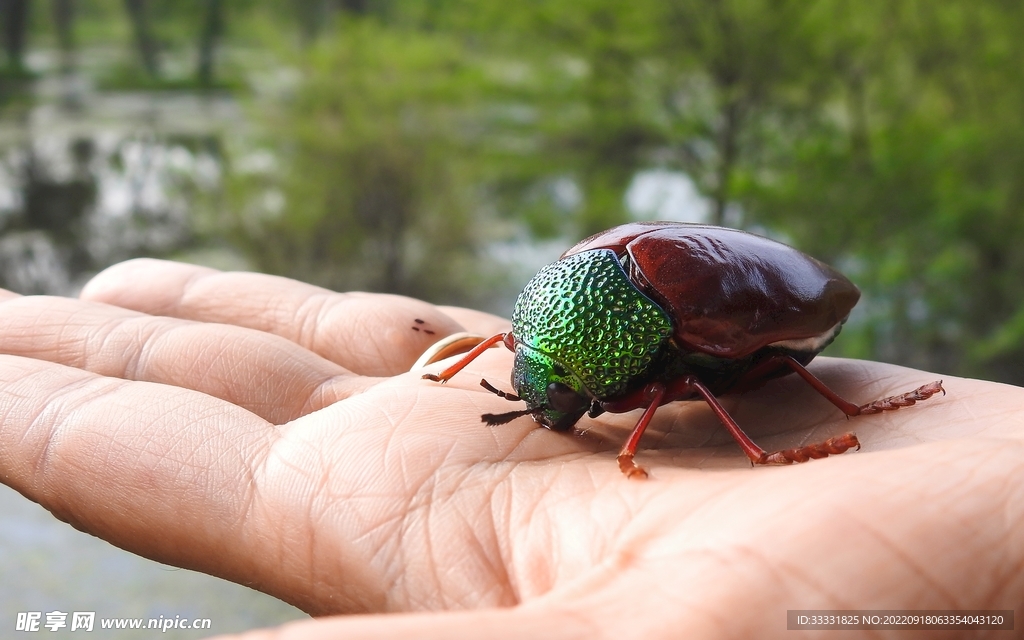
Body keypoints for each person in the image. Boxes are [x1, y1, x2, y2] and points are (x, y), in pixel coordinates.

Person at [0, 258, 1019, 640]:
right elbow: (530, 344)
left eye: (563, 394)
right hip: (617, 303)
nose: (553, 407)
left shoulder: (672, 349)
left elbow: (752, 360)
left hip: (747, 318)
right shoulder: (564, 320)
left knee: (722, 373)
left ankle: (759, 451)